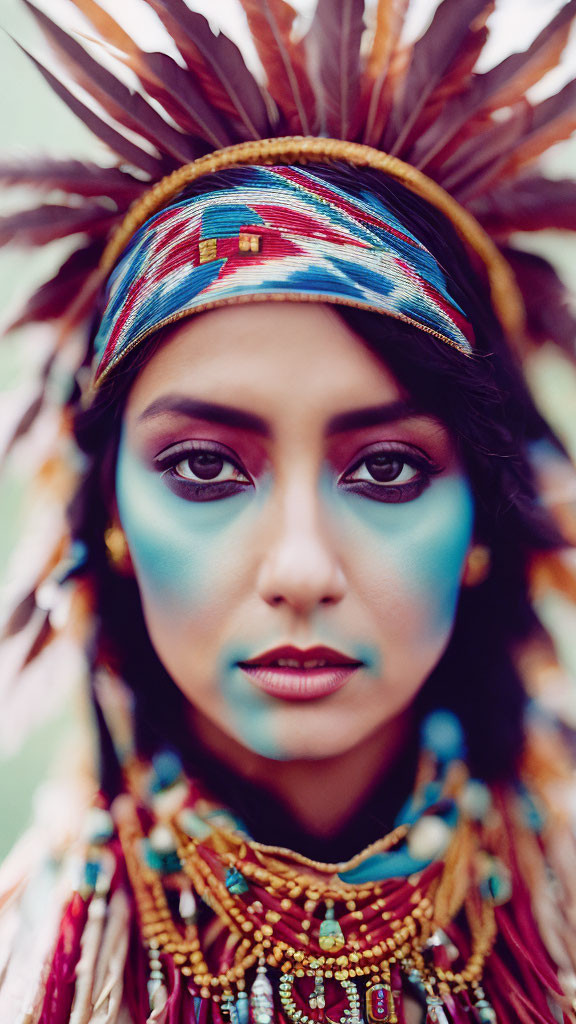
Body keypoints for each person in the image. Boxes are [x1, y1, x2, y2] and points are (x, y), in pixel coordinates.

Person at [1, 2, 576, 1022]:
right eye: (208, 467)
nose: (303, 567)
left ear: (485, 519)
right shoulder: (30, 964)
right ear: (111, 523)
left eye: (391, 468)